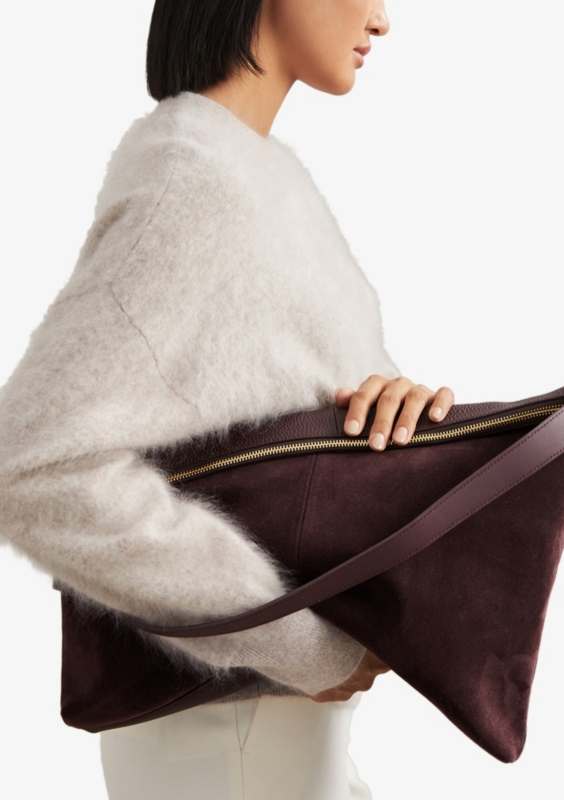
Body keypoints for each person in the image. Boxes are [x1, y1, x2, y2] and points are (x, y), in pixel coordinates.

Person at [0, 1, 454, 797]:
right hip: (228, 734)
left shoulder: (258, 177)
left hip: (267, 735)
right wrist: (294, 642)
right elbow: (31, 466)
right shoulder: (195, 181)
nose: (381, 18)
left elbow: (287, 435)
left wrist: (391, 404)